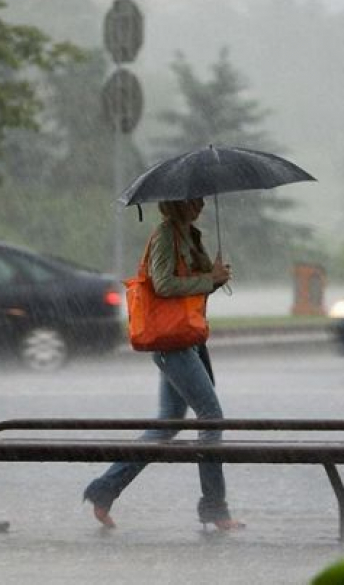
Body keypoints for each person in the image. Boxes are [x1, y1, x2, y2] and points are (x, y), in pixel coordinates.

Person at [82, 197, 244, 531]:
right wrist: (205, 280)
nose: (199, 205)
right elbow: (162, 284)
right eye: (192, 200)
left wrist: (214, 279)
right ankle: (214, 506)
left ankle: (104, 489)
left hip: (189, 340)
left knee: (167, 425)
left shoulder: (191, 235)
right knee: (211, 420)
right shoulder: (165, 235)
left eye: (201, 199)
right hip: (173, 343)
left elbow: (191, 291)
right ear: (175, 203)